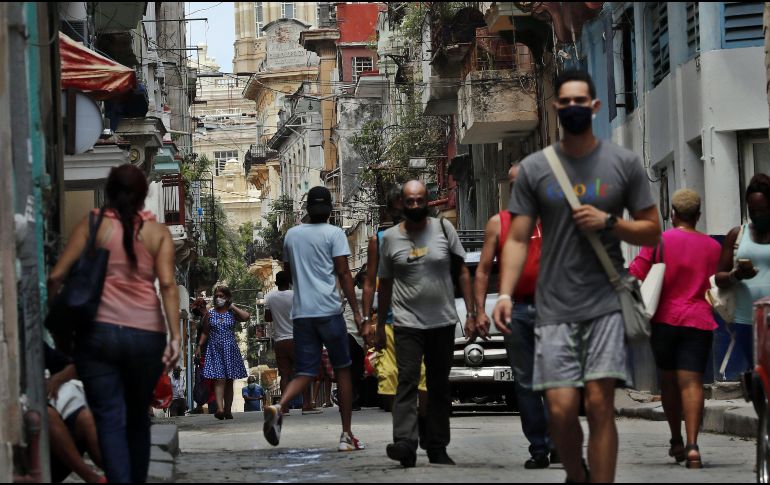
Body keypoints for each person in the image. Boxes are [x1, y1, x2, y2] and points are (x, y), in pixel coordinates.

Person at [492, 70, 660, 483]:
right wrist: (505, 294)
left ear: (595, 107)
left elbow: (653, 229)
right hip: (553, 307)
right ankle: (576, 474)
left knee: (601, 405)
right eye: (564, 102)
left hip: (604, 302)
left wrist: (610, 223)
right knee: (563, 410)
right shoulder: (535, 169)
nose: (571, 109)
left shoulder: (623, 163)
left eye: (579, 102)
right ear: (556, 107)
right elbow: (515, 239)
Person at [48, 164, 181, 483]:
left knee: (109, 418)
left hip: (98, 336)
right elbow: (166, 285)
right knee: (137, 418)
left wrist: (59, 320)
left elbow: (55, 277)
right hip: (146, 337)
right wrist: (176, 337)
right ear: (143, 196)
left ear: (108, 192)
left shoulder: (93, 224)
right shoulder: (158, 234)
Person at [372, 180, 475, 468]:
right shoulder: (390, 238)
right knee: (406, 380)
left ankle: (437, 445)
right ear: (402, 204)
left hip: (442, 321)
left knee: (439, 385)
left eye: (420, 200)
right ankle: (405, 442)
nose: (415, 205)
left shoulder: (444, 229)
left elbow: (463, 272)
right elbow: (386, 286)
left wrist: (471, 312)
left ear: (427, 201)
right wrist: (381, 327)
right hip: (406, 323)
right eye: (410, 201)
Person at [263, 185, 365, 452]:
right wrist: (356, 310)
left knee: (306, 371)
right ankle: (345, 435)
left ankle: (279, 406)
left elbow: (289, 271)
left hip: (302, 313)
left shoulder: (292, 236)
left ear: (306, 209)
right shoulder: (335, 233)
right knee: (342, 370)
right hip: (329, 311)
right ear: (331, 209)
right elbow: (344, 274)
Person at [630, 188, 719, 469]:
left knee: (668, 381)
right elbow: (718, 283)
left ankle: (675, 439)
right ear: (698, 216)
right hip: (699, 321)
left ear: (672, 214)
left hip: (664, 322)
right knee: (692, 384)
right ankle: (693, 447)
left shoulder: (658, 241)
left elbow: (635, 272)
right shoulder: (713, 247)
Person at [474, 165, 556, 469]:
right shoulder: (499, 223)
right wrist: (479, 310)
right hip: (518, 310)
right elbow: (483, 270)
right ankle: (539, 447)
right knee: (526, 382)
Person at [361, 185, 429, 421]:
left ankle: (421, 424)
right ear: (390, 212)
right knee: (389, 379)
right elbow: (369, 283)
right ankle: (404, 427)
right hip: (388, 322)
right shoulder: (378, 241)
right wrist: (366, 320)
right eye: (400, 210)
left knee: (422, 377)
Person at [716, 173, 770, 367]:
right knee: (758, 374)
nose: (756, 216)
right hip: (746, 320)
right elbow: (718, 278)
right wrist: (736, 275)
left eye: (762, 211)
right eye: (752, 210)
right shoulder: (737, 235)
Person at [45, 343, 105, 483]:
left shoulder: (31, 348)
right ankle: (94, 479)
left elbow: (76, 365)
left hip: (54, 443)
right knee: (45, 414)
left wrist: (57, 379)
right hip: (27, 434)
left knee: (86, 419)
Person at [195, 286, 250, 420]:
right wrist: (199, 346)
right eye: (216, 296)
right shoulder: (210, 314)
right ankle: (219, 409)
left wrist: (232, 306)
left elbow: (246, 316)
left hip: (230, 349)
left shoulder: (232, 313)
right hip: (215, 349)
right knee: (219, 379)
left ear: (227, 298)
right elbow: (205, 332)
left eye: (221, 296)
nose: (218, 298)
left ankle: (227, 410)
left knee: (229, 380)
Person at [265, 270, 316, 415]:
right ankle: (306, 404)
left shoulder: (270, 297)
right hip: (297, 339)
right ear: (289, 282)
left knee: (284, 375)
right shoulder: (296, 296)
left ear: (276, 283)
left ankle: (284, 406)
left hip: (280, 341)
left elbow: (268, 317)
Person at [342, 268, 367, 410]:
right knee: (354, 371)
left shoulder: (353, 292)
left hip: (354, 336)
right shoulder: (358, 293)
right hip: (352, 334)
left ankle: (351, 401)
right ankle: (351, 401)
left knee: (353, 370)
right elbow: (377, 298)